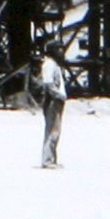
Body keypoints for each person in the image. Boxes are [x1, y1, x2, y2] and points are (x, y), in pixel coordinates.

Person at [31, 41, 68, 169]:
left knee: (56, 131)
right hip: (52, 100)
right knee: (52, 130)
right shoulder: (49, 65)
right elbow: (48, 84)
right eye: (59, 49)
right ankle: (47, 160)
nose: (62, 52)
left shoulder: (55, 65)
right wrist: (60, 95)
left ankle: (52, 158)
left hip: (57, 100)